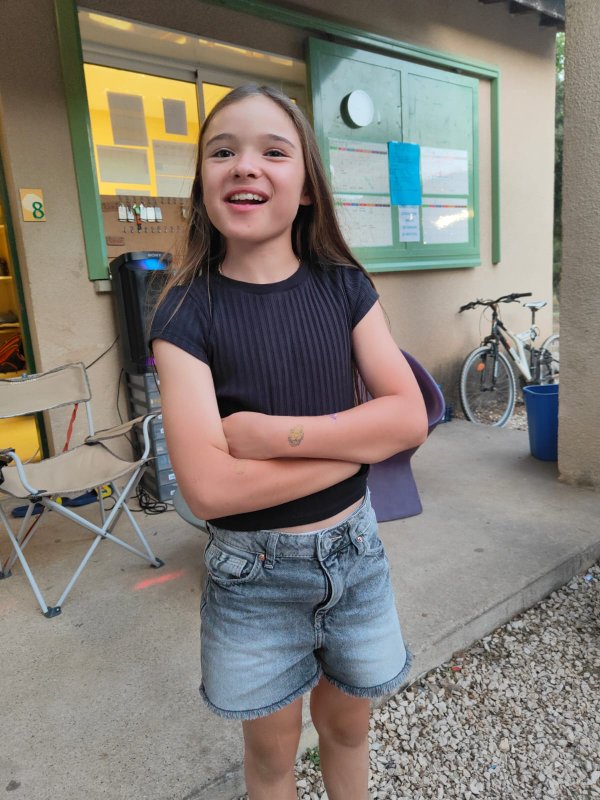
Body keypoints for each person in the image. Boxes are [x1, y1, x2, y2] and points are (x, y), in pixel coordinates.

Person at [150, 83, 428, 800]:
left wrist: (270, 436)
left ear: (306, 188)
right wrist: (360, 445)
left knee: (348, 729)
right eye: (223, 152)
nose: (245, 165)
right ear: (203, 183)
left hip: (356, 555)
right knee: (272, 756)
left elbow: (410, 418)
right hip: (253, 577)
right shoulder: (185, 311)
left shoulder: (345, 288)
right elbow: (210, 490)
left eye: (273, 151)